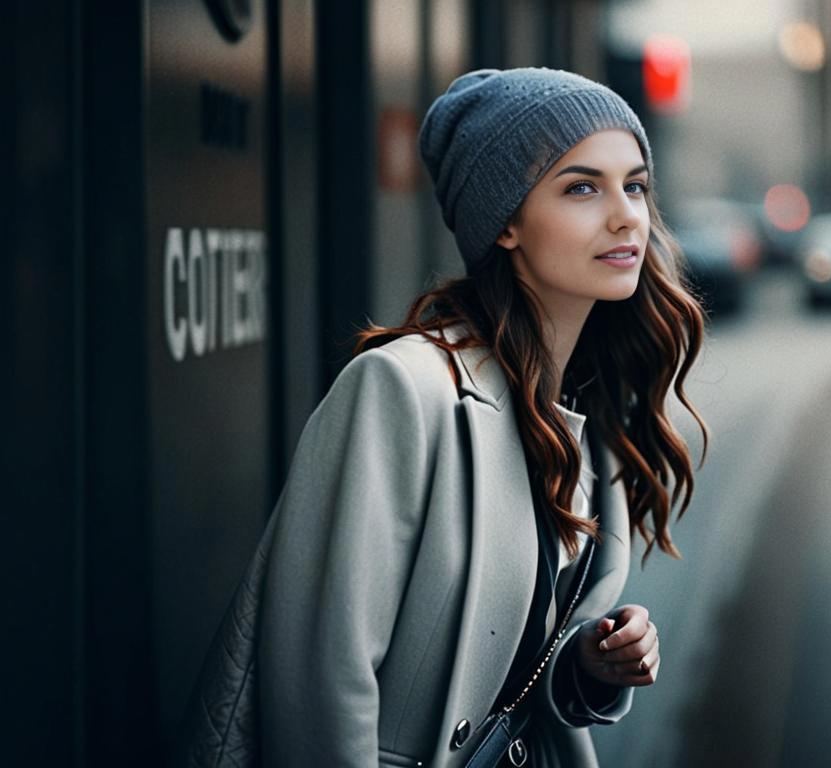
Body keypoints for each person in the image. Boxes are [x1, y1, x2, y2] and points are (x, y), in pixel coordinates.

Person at [179, 67, 707, 768]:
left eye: (634, 185)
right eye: (583, 187)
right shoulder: (402, 389)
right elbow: (320, 686)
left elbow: (506, 662)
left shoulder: (586, 409)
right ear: (507, 222)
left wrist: (587, 663)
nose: (625, 216)